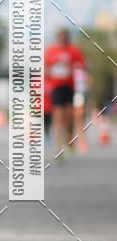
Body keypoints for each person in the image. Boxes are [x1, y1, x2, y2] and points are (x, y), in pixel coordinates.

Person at [45, 28, 86, 157]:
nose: (62, 39)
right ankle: (58, 147)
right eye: (60, 36)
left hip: (70, 86)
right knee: (58, 116)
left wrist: (72, 67)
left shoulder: (73, 50)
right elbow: (45, 67)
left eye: (65, 36)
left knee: (69, 116)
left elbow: (82, 65)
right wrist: (48, 72)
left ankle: (69, 138)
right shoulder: (51, 51)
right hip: (56, 87)